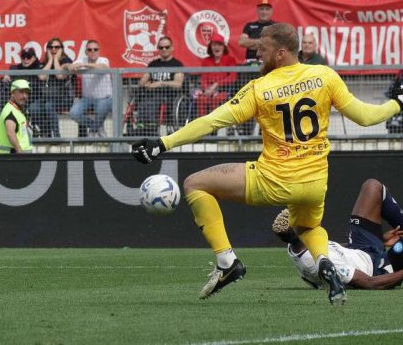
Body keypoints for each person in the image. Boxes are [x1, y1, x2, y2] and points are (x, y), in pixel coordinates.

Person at [131, 23, 403, 305]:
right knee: (307, 228)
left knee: (195, 183)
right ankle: (324, 261)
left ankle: (227, 262)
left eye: (263, 48)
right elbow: (366, 117)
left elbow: (212, 121)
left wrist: (163, 143)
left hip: (274, 179)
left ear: (281, 53)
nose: (257, 52)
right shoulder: (325, 76)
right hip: (314, 183)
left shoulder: (260, 89)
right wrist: (398, 104)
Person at [272, 179, 403, 290]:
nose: (310, 215)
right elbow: (370, 283)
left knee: (372, 187)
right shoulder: (322, 264)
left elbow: (335, 251)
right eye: (302, 217)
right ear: (297, 229)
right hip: (376, 268)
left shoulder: (298, 243)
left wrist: (380, 239)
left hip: (359, 247)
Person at [135, 36, 184, 136]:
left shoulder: (177, 64)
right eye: (161, 47)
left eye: (166, 47)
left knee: (152, 102)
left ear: (172, 48)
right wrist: (146, 84)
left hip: (169, 96)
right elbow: (142, 82)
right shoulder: (153, 64)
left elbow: (178, 84)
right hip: (151, 95)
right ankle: (141, 127)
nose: (164, 49)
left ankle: (151, 129)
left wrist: (160, 83)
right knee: (143, 100)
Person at [68, 40, 112, 138]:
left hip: (104, 98)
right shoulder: (81, 60)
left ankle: (93, 130)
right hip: (87, 99)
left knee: (101, 108)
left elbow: (104, 67)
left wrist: (86, 65)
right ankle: (97, 126)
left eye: (95, 49)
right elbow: (70, 67)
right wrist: (73, 66)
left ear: (99, 51)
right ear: (86, 52)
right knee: (73, 113)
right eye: (90, 49)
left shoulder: (103, 60)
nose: (93, 51)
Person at [32, 38, 72, 138]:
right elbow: (42, 77)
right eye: (51, 47)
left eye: (57, 47)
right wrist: (50, 60)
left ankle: (56, 135)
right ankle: (46, 132)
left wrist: (56, 59)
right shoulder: (43, 63)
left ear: (62, 49)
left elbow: (60, 76)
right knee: (33, 108)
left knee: (49, 106)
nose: (54, 49)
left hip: (63, 98)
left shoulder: (66, 61)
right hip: (46, 98)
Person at [196, 33, 238, 118]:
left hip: (223, 90)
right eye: (214, 45)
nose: (216, 47)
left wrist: (216, 85)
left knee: (217, 99)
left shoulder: (230, 60)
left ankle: (214, 124)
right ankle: (201, 126)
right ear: (210, 47)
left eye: (219, 45)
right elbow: (203, 78)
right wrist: (207, 89)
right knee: (201, 99)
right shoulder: (206, 61)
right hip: (208, 90)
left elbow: (232, 77)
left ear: (223, 47)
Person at [0, 79, 33, 153]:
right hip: (13, 159)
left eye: (26, 93)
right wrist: (20, 152)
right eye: (21, 92)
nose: (24, 96)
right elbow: (10, 133)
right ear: (12, 93)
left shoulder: (16, 109)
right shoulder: (10, 112)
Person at [238, 0, 275, 64]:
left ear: (271, 11)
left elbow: (276, 44)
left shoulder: (276, 26)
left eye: (267, 9)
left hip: (270, 62)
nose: (264, 12)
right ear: (257, 11)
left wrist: (251, 44)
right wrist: (263, 42)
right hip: (251, 62)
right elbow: (242, 42)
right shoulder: (249, 25)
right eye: (261, 9)